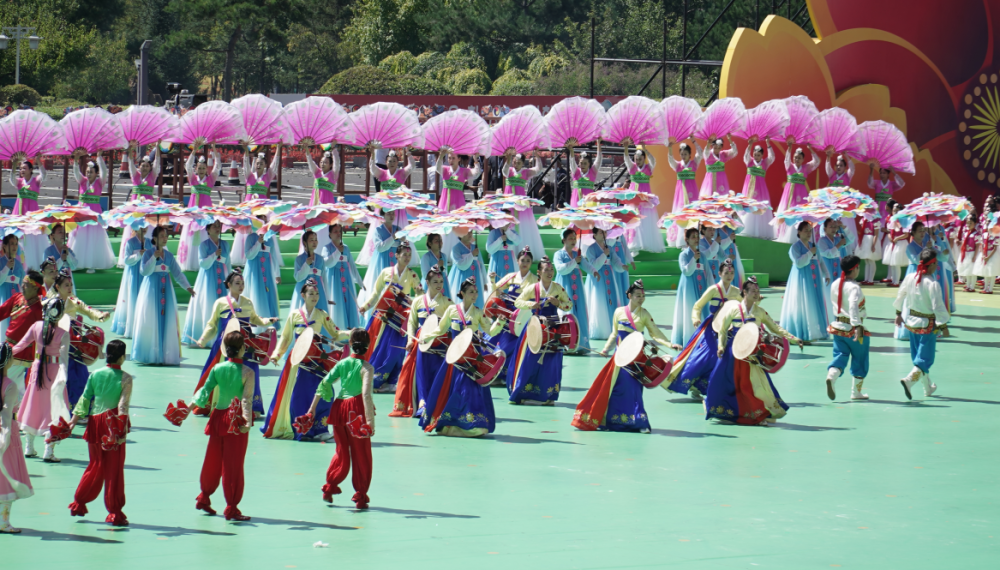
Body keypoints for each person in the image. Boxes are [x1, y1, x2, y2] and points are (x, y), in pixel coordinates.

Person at [572, 280, 679, 432]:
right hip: (620, 358)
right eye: (637, 296)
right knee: (616, 389)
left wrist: (669, 344)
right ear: (629, 295)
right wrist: (605, 349)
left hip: (637, 360)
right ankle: (612, 422)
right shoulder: (618, 312)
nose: (641, 298)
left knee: (634, 390)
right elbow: (614, 334)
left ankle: (639, 422)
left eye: (643, 296)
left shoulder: (644, 314)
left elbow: (655, 333)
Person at [705, 278, 803, 425]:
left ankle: (759, 414)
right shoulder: (733, 310)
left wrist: (793, 339)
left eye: (758, 291)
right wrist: (721, 346)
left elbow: (775, 328)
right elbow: (723, 331)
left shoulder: (760, 312)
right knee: (724, 382)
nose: (757, 294)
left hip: (753, 354)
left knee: (754, 385)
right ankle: (726, 411)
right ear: (744, 292)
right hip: (734, 352)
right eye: (753, 291)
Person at [261, 279, 348, 441]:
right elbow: (286, 337)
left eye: (317, 294)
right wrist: (276, 354)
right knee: (298, 395)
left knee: (325, 394)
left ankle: (321, 429)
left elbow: (336, 334)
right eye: (311, 294)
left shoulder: (322, 315)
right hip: (299, 360)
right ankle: (301, 429)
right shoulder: (294, 315)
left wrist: (351, 334)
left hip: (317, 360)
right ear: (303, 295)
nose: (315, 297)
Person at [302, 328, 375, 509]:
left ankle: (330, 486)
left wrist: (310, 411)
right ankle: (360, 495)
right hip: (356, 410)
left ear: (350, 345)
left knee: (341, 452)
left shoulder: (342, 364)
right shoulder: (367, 368)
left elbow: (324, 383)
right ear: (368, 346)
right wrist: (370, 422)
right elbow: (365, 395)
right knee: (361, 454)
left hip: (340, 408)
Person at [191, 270, 278, 417]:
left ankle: (251, 408)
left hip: (246, 344)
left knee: (251, 372)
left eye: (243, 283)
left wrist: (268, 321)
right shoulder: (220, 303)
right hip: (226, 344)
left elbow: (256, 319)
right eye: (237, 283)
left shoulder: (247, 302)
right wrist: (203, 339)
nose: (241, 286)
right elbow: (212, 324)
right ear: (229, 285)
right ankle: (217, 404)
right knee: (222, 373)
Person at [420, 277, 498, 435]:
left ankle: (472, 423)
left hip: (472, 358)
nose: (475, 295)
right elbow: (441, 330)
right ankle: (450, 424)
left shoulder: (478, 312)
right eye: (471, 292)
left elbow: (490, 331)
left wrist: (500, 323)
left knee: (471, 390)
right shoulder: (452, 310)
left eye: (476, 292)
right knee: (453, 389)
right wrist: (427, 336)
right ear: (462, 293)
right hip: (455, 357)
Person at [67, 340, 131, 527]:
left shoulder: (95, 374)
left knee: (95, 464)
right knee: (114, 469)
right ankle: (114, 511)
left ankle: (79, 502)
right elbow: (123, 405)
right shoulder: (125, 378)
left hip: (95, 423)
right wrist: (120, 427)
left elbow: (85, 398)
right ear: (122, 357)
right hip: (113, 422)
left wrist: (73, 422)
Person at [191, 331, 254, 521]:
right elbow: (246, 400)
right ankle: (232, 507)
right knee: (233, 464)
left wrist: (186, 409)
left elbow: (204, 392)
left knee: (213, 459)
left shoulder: (217, 369)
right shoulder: (247, 372)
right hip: (235, 419)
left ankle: (204, 497)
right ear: (242, 349)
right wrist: (247, 421)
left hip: (218, 417)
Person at [666, 259, 741, 400]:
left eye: (731, 273)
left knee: (725, 358)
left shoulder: (736, 292)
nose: (729, 275)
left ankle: (708, 388)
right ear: (719, 274)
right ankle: (689, 382)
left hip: (728, 330)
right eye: (726, 273)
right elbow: (697, 305)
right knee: (704, 356)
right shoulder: (713, 289)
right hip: (711, 328)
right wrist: (696, 318)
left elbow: (744, 309)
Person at [505, 258, 574, 404]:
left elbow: (569, 305)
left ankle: (547, 395)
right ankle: (523, 392)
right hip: (535, 327)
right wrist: (532, 304)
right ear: (539, 272)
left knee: (551, 362)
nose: (549, 272)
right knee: (529, 360)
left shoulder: (558, 288)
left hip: (553, 328)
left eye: (551, 270)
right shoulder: (533, 288)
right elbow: (518, 302)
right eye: (546, 270)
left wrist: (558, 303)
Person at [358, 243, 421, 392]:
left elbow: (419, 296)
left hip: (399, 319)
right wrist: (365, 307)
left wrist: (418, 293)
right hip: (383, 316)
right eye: (404, 254)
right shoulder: (386, 272)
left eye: (409, 254)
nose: (407, 257)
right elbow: (376, 293)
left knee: (396, 352)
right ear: (396, 256)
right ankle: (373, 379)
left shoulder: (412, 275)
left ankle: (391, 381)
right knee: (377, 347)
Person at [391, 265, 451, 417]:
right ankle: (422, 402)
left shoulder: (447, 302)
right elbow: (411, 323)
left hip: (440, 342)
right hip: (421, 341)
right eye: (435, 282)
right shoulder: (417, 301)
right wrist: (410, 340)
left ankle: (436, 403)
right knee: (421, 372)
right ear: (427, 282)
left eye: (441, 282)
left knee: (437, 372)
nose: (439, 285)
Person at [14, 298, 69, 462]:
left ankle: (29, 446)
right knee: (54, 410)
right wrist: (63, 378)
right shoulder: (63, 334)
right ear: (59, 316)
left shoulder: (36, 327)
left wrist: (5, 352)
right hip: (55, 373)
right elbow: (64, 361)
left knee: (32, 404)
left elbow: (21, 345)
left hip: (36, 371)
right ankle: (48, 451)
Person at [131, 226, 195, 366]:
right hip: (151, 291)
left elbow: (177, 273)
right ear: (154, 239)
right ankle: (150, 354)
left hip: (167, 292)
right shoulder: (148, 253)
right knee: (151, 319)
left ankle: (164, 354)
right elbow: (144, 271)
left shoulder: (169, 256)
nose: (165, 238)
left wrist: (188, 287)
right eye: (161, 236)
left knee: (166, 320)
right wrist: (154, 257)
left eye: (166, 236)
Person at [895, 249, 950, 400]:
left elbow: (900, 296)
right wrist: (943, 326)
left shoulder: (910, 278)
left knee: (918, 357)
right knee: (925, 359)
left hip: (912, 323)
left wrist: (898, 314)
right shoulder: (932, 283)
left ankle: (928, 387)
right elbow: (938, 306)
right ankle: (909, 381)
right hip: (928, 325)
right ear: (932, 265)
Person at [50, 270, 109, 409]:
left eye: (70, 284)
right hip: (56, 344)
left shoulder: (74, 301)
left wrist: (100, 316)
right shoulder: (50, 302)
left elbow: (88, 310)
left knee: (79, 374)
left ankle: (80, 408)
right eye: (66, 285)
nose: (70, 288)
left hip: (73, 344)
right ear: (57, 287)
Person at [485, 247, 538, 381]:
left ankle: (506, 375)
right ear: (517, 261)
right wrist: (492, 280)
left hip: (522, 318)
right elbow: (496, 290)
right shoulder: (511, 276)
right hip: (505, 317)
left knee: (512, 346)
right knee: (494, 342)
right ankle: (491, 369)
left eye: (528, 260)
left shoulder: (535, 280)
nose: (525, 263)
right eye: (522, 260)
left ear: (531, 263)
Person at [825, 255, 870, 401]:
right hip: (852, 327)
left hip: (838, 326)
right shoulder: (854, 287)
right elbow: (853, 306)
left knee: (840, 355)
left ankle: (832, 376)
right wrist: (857, 325)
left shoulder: (835, 283)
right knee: (860, 358)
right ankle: (856, 392)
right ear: (855, 269)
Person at [0, 344, 33, 533]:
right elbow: (5, 413)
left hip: (5, 430)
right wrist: (4, 436)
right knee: (7, 474)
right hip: (7, 432)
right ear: (8, 361)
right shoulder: (9, 385)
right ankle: (3, 522)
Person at [182, 221, 231, 346]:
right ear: (208, 230)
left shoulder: (225, 244)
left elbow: (228, 263)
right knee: (209, 305)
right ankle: (208, 338)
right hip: (208, 280)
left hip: (223, 278)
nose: (217, 228)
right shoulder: (203, 245)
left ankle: (224, 336)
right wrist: (214, 255)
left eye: (218, 226)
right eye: (214, 226)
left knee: (225, 307)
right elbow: (203, 264)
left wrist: (230, 278)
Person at [231, 149, 280, 265]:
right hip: (249, 210)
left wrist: (278, 148)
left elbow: (275, 164)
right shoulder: (249, 176)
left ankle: (262, 254)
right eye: (257, 163)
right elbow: (245, 166)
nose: (259, 165)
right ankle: (245, 256)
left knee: (262, 231)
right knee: (247, 231)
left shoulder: (267, 177)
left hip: (262, 211)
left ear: (265, 166)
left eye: (261, 164)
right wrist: (246, 152)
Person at [178, 148, 220, 271]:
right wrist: (193, 151)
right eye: (199, 168)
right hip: (193, 212)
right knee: (191, 235)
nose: (201, 170)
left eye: (203, 168)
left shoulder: (210, 180)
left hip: (205, 213)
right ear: (196, 169)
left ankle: (204, 260)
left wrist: (215, 153)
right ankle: (191, 262)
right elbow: (187, 165)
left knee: (204, 234)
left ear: (207, 169)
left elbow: (217, 167)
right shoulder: (193, 179)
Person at [497, 151, 545, 258]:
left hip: (522, 205)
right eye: (514, 162)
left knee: (523, 226)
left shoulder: (525, 173)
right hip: (509, 203)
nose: (516, 164)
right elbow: (504, 171)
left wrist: (537, 156)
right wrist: (508, 160)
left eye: (518, 163)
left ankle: (522, 251)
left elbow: (538, 170)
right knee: (508, 224)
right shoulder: (509, 171)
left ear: (523, 163)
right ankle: (507, 250)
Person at [0, 270, 44, 385]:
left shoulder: (39, 311)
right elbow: (1, 312)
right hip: (7, 348)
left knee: (11, 385)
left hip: (22, 355)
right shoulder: (17, 298)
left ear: (35, 288)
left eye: (26, 285)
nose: (22, 286)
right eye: (23, 283)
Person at [118, 147, 160, 267]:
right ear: (139, 167)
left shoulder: (152, 177)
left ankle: (150, 256)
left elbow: (157, 163)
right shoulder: (135, 176)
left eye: (147, 166)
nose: (145, 168)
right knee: (133, 231)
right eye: (143, 165)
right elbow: (130, 163)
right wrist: (130, 150)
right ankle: (132, 256)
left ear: (150, 168)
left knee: (149, 232)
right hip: (135, 210)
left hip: (148, 210)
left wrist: (157, 148)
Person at [554, 229, 594, 352]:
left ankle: (581, 343)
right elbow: (560, 269)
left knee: (579, 310)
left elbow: (586, 265)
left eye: (574, 238)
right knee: (566, 311)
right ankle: (565, 342)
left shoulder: (577, 254)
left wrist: (594, 271)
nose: (573, 240)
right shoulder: (559, 254)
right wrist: (573, 262)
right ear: (563, 240)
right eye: (570, 238)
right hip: (565, 287)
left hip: (578, 288)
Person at [622, 142, 663, 253]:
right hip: (633, 199)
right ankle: (633, 244)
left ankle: (645, 243)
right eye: (636, 159)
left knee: (646, 220)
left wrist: (645, 149)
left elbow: (654, 160)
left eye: (640, 159)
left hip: (644, 199)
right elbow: (626, 158)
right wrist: (626, 147)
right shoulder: (632, 168)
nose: (638, 161)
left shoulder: (648, 168)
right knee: (633, 218)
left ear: (644, 159)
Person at [110, 226, 150, 338]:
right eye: (141, 226)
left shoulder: (150, 242)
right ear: (135, 228)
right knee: (133, 299)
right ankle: (132, 328)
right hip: (134, 274)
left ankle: (144, 326)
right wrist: (138, 255)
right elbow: (127, 260)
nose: (144, 228)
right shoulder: (130, 242)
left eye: (145, 226)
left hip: (145, 274)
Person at [358, 213, 401, 317]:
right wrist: (393, 238)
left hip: (395, 261)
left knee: (396, 286)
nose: (391, 216)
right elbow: (380, 247)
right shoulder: (378, 230)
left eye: (392, 213)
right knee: (380, 286)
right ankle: (378, 314)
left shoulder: (398, 228)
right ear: (383, 216)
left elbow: (401, 245)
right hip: (382, 261)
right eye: (388, 214)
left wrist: (403, 239)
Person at [671, 228, 709, 347]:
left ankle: (704, 337)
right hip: (688, 287)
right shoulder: (683, 255)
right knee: (689, 308)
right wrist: (693, 259)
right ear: (686, 239)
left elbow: (707, 272)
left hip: (701, 286)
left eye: (697, 236)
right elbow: (686, 271)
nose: (696, 239)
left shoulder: (702, 255)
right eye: (693, 237)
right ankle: (689, 338)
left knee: (703, 308)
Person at [322, 224, 364, 331]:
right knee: (337, 304)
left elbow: (352, 266)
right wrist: (337, 252)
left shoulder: (345, 248)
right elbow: (327, 263)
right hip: (334, 282)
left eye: (339, 231)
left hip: (347, 281)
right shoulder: (326, 248)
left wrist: (360, 282)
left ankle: (350, 329)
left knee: (348, 303)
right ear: (330, 234)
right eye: (335, 231)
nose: (338, 233)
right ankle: (337, 329)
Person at [243, 223, 282, 332]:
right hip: (255, 272)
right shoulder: (251, 237)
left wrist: (277, 273)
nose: (263, 222)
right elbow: (249, 255)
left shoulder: (269, 238)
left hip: (268, 273)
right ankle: (257, 325)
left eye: (265, 219)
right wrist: (258, 243)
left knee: (268, 295)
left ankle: (269, 323)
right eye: (260, 219)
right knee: (256, 295)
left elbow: (273, 256)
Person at [776, 145, 820, 242]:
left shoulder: (806, 168)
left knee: (800, 214)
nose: (797, 159)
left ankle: (800, 235)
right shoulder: (789, 166)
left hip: (801, 193)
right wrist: (789, 148)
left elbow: (817, 161)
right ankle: (786, 236)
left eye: (799, 158)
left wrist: (810, 149)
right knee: (789, 212)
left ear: (803, 159)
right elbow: (786, 159)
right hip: (790, 194)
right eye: (795, 157)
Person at [9, 157, 47, 268]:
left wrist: (39, 161)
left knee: (31, 239)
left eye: (24, 168)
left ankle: (32, 264)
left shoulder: (36, 181)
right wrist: (14, 165)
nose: (22, 170)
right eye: (21, 169)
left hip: (32, 215)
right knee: (19, 238)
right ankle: (18, 263)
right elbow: (12, 178)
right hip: (19, 214)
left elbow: (44, 174)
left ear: (31, 170)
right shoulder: (19, 182)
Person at [584, 228, 622, 340]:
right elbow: (593, 266)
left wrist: (621, 266)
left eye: (605, 232)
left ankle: (613, 329)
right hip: (597, 278)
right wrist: (604, 255)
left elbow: (616, 261)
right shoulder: (590, 249)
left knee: (612, 300)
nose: (604, 234)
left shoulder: (609, 248)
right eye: (601, 232)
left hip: (609, 276)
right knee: (599, 301)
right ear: (594, 235)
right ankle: (600, 330)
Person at [665, 138, 702, 247]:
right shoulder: (678, 165)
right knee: (681, 215)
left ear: (690, 154)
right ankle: (682, 242)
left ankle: (693, 240)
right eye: (681, 154)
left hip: (692, 193)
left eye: (685, 154)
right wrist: (670, 148)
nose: (683, 156)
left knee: (692, 214)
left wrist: (694, 141)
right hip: (680, 194)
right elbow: (670, 160)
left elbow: (700, 153)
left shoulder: (694, 163)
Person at [739, 137, 776, 239]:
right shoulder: (749, 161)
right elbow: (745, 155)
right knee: (748, 207)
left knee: (759, 208)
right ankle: (746, 229)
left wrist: (768, 144)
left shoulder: (765, 163)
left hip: (761, 190)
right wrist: (749, 145)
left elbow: (772, 157)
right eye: (755, 154)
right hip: (749, 189)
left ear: (762, 156)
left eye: (758, 155)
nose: (756, 156)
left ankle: (759, 231)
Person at [291, 230, 329, 313]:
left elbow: (324, 278)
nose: (314, 242)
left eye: (315, 239)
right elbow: (298, 278)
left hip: (318, 291)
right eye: (311, 240)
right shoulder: (299, 259)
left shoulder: (320, 259)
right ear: (304, 243)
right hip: (304, 291)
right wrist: (306, 265)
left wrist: (327, 296)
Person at [448, 231, 486, 308]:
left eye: (471, 232)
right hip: (463, 278)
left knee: (476, 301)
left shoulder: (475, 247)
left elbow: (481, 265)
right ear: (460, 234)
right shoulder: (456, 248)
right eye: (467, 232)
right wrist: (472, 255)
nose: (470, 234)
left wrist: (485, 281)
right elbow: (461, 265)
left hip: (476, 278)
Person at [436, 147, 481, 211]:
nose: (451, 160)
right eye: (449, 158)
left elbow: (476, 174)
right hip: (445, 202)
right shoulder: (445, 170)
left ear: (459, 159)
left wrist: (476, 160)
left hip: (458, 202)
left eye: (453, 158)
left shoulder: (463, 171)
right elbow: (437, 168)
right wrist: (441, 156)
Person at [0, 235, 26, 340]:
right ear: (5, 246)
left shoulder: (19, 264)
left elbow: (23, 282)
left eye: (16, 244)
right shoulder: (1, 262)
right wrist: (6, 267)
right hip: (3, 297)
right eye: (11, 243)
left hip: (16, 298)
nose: (14, 246)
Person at [486, 222, 521, 292]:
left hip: (510, 261)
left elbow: (518, 241)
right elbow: (489, 249)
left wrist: (507, 231)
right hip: (497, 261)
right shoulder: (493, 232)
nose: (506, 222)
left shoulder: (512, 232)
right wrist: (500, 240)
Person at [881, 201, 909, 286]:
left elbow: (906, 234)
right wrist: (889, 236)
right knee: (892, 263)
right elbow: (889, 230)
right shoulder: (892, 220)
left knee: (896, 263)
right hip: (893, 243)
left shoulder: (904, 221)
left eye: (897, 210)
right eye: (894, 210)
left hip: (900, 243)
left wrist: (897, 238)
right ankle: (893, 281)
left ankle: (896, 282)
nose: (895, 212)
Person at [44, 224, 78, 292]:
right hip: (54, 283)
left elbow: (74, 266)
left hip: (67, 282)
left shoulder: (68, 250)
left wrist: (68, 256)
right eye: (60, 232)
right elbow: (48, 270)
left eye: (64, 232)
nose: (63, 234)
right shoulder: (48, 251)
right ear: (53, 235)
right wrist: (61, 260)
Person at [569, 142, 602, 206]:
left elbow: (599, 159)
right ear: (579, 163)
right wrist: (571, 149)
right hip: (575, 202)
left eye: (585, 163)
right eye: (581, 163)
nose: (583, 165)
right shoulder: (576, 172)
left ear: (589, 164)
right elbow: (572, 161)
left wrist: (598, 143)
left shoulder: (592, 172)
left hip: (589, 203)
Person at [420, 233, 451, 300]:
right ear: (430, 243)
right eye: (436, 241)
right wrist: (437, 266)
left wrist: (442, 268)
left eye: (440, 240)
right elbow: (425, 274)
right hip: (430, 285)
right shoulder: (426, 257)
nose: (439, 243)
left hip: (442, 283)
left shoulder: (444, 256)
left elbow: (445, 272)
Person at [973, 221, 998, 295]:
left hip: (992, 255)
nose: (989, 228)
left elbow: (995, 248)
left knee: (992, 272)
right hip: (984, 254)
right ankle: (985, 288)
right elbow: (981, 245)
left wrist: (988, 257)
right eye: (988, 226)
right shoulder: (984, 235)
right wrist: (983, 255)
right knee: (986, 271)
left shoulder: (995, 236)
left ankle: (990, 289)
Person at [856, 215, 881, 285]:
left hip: (871, 241)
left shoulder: (875, 220)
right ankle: (866, 279)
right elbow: (862, 231)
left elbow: (876, 234)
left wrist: (873, 245)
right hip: (864, 240)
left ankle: (871, 280)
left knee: (871, 260)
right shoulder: (863, 219)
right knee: (866, 261)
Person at [957, 217, 979, 292]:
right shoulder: (965, 233)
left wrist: (975, 256)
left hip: (972, 253)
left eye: (971, 223)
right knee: (967, 270)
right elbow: (963, 243)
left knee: (972, 271)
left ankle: (972, 287)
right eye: (967, 223)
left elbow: (978, 246)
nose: (969, 225)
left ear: (975, 224)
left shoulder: (976, 234)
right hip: (965, 253)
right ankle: (968, 285)